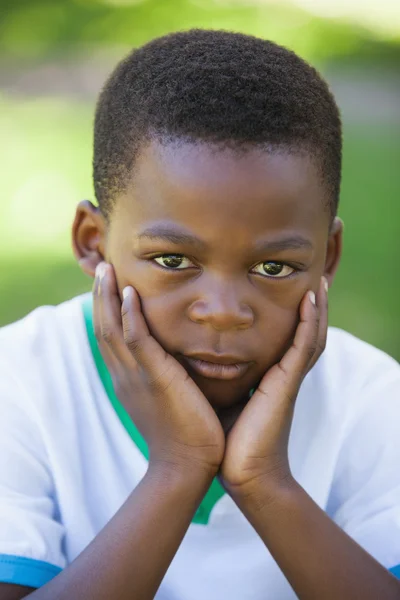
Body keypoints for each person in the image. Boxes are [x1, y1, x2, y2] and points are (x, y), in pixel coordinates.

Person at [0, 29, 399, 600]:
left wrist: (265, 482)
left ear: (327, 259)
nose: (223, 313)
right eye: (172, 259)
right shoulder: (19, 380)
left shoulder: (370, 398)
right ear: (93, 242)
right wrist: (178, 469)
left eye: (274, 268)